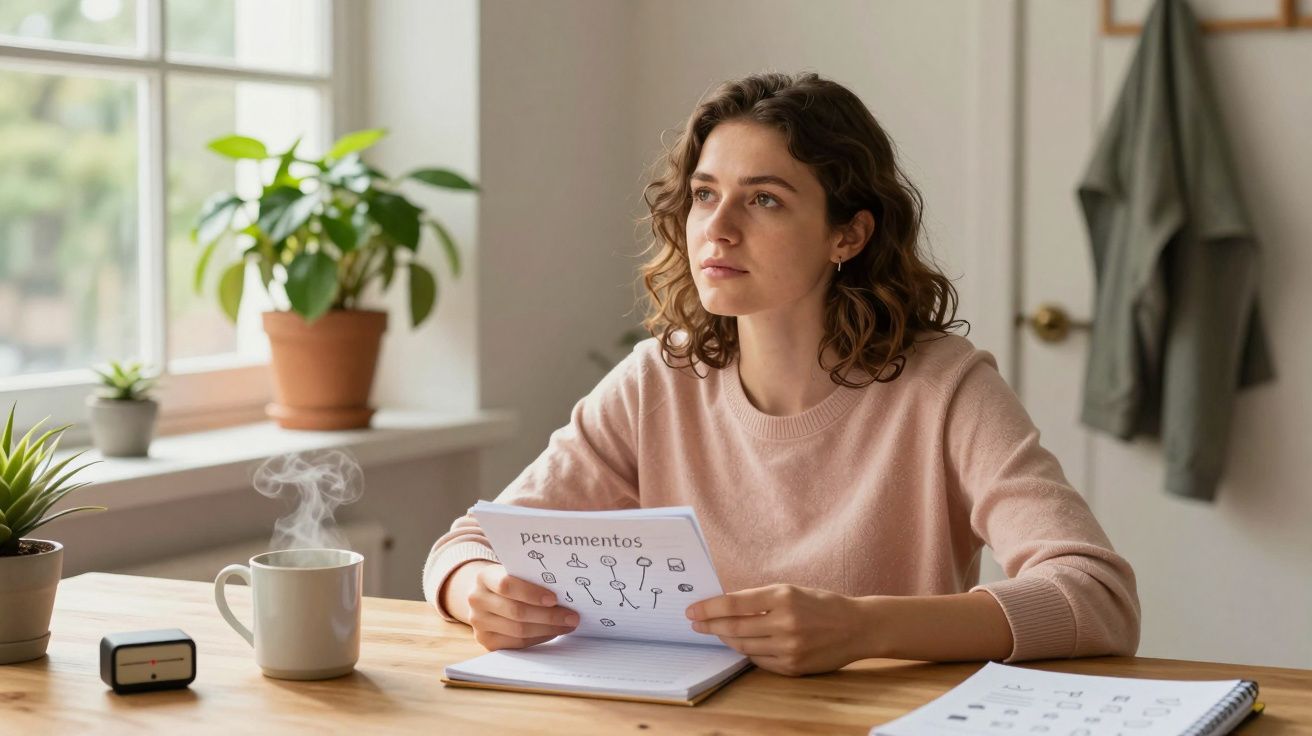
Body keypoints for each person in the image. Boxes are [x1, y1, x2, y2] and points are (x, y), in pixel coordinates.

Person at [422, 71, 1140, 676]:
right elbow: (464, 544)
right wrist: (477, 587)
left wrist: (866, 629)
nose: (718, 227)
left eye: (763, 199)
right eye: (705, 194)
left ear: (847, 235)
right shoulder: (656, 380)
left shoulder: (945, 389)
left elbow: (1097, 597)